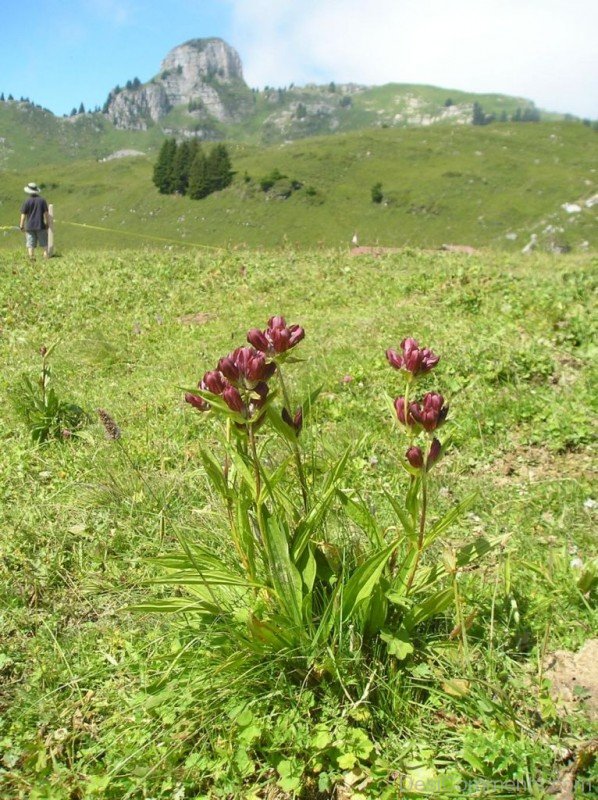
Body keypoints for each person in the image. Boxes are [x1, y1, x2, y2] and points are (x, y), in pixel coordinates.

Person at [19, 182, 50, 260]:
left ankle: (32, 260)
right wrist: (47, 223)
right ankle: (46, 258)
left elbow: (23, 215)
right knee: (44, 244)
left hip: (29, 226)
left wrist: (21, 225)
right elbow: (46, 213)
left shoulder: (27, 201)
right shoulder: (42, 201)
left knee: (30, 244)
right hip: (40, 225)